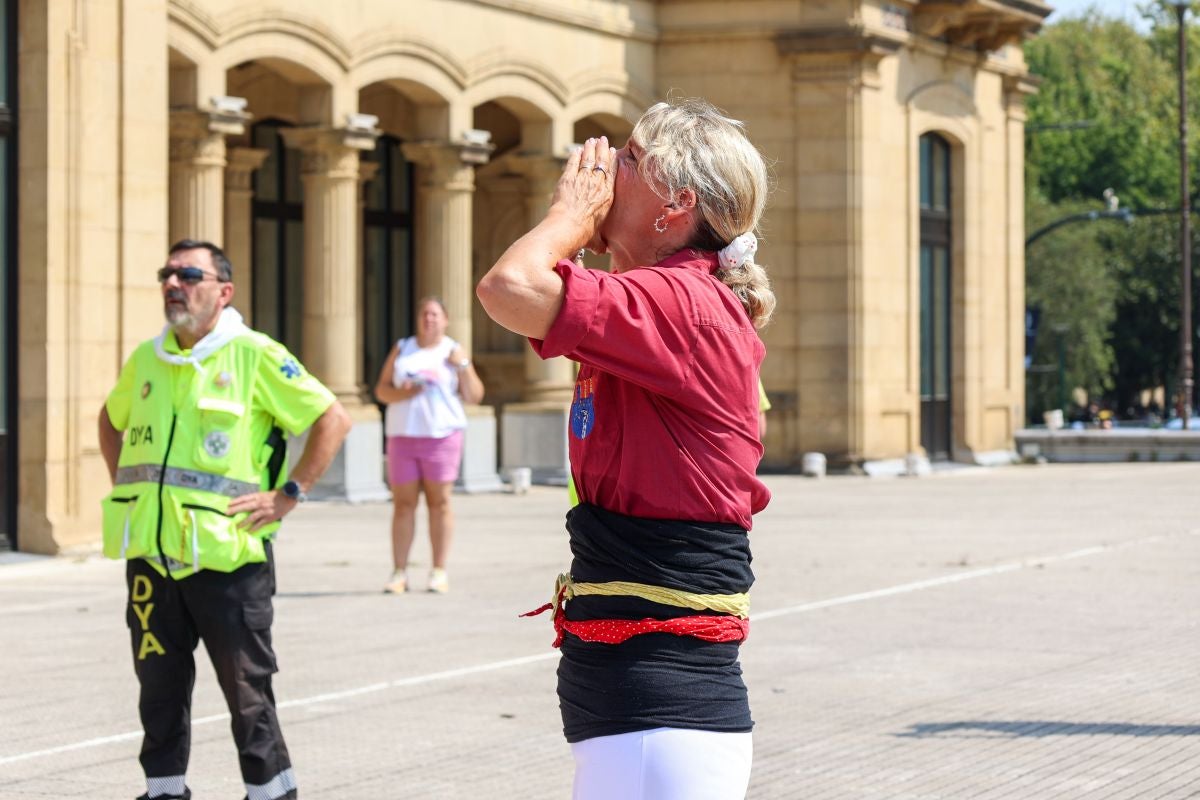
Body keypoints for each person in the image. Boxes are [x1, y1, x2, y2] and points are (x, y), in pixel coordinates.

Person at [477, 98, 773, 800]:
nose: (604, 164)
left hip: (661, 701)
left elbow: (508, 287)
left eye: (631, 160)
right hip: (633, 700)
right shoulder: (655, 299)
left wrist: (565, 221)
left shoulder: (683, 304)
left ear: (676, 206)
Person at [97, 239, 351, 800]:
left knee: (247, 692)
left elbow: (332, 417)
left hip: (229, 557)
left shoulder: (254, 353)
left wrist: (289, 493)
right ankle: (164, 791)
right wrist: (128, 488)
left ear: (223, 291)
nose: (173, 282)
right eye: (167, 272)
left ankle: (271, 793)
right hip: (152, 556)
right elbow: (109, 420)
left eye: (189, 273)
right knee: (158, 689)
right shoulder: (146, 359)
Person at [373, 296, 484, 594]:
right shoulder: (403, 348)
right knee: (403, 504)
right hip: (403, 435)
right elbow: (382, 391)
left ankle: (438, 571)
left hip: (442, 436)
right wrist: (404, 393)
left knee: (440, 503)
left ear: (445, 320)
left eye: (435, 314)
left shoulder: (452, 350)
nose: (429, 319)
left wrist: (462, 364)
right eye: (424, 314)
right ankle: (399, 572)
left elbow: (475, 395)